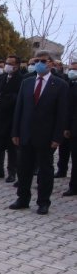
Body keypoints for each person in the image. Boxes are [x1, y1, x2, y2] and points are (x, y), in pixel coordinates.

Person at [9, 51, 69, 215]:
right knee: (24, 169)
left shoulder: (60, 85)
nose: (39, 64)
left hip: (46, 136)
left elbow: (62, 114)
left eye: (43, 61)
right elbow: (19, 109)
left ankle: (43, 202)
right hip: (26, 133)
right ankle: (22, 198)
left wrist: (57, 137)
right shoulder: (27, 83)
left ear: (50, 63)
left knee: (45, 171)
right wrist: (15, 131)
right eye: (36, 61)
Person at [0, 55, 24, 182]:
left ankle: (12, 172)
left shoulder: (21, 79)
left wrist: (3, 99)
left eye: (10, 63)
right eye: (6, 63)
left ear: (17, 66)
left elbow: (16, 97)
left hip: (12, 117)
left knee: (11, 147)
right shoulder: (3, 77)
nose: (7, 65)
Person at [64, 61, 77, 196]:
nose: (72, 72)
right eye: (71, 69)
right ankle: (73, 186)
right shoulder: (70, 85)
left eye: (75, 69)